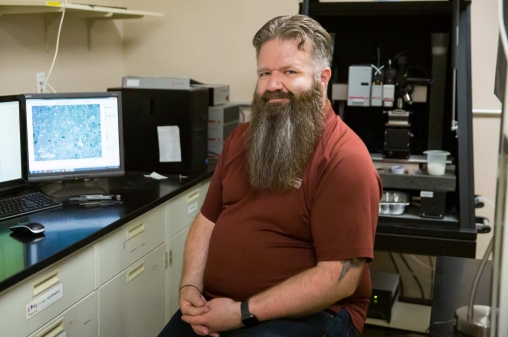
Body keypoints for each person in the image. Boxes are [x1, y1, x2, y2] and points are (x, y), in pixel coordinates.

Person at [159, 14, 382, 337]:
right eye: (265, 73)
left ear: (323, 78)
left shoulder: (344, 159)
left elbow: (340, 276)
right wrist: (190, 284)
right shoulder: (241, 139)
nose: (273, 84)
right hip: (220, 305)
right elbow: (207, 221)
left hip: (311, 316)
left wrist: (242, 313)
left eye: (290, 72)